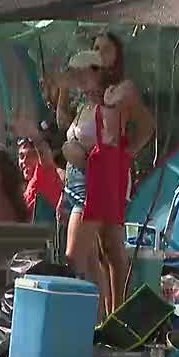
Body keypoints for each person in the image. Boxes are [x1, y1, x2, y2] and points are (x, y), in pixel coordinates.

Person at [50, 36, 154, 318]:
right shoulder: (89, 96)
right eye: (95, 48)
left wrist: (128, 152)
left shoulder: (120, 91)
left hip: (98, 177)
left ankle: (92, 319)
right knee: (107, 249)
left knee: (82, 254)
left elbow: (146, 124)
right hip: (78, 177)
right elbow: (64, 124)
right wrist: (64, 89)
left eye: (105, 49)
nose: (97, 53)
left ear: (117, 57)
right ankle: (109, 317)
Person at [0, 115, 63, 225]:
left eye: (30, 155)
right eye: (21, 156)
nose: (24, 161)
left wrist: (34, 135)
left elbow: (46, 160)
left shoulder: (46, 177)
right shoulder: (23, 184)